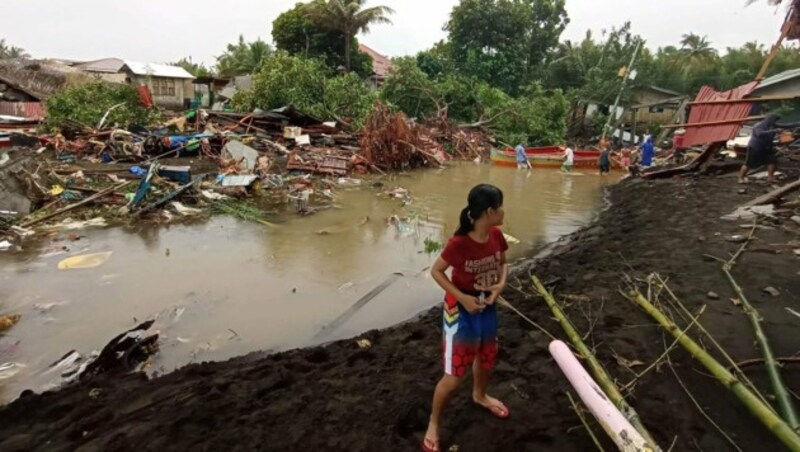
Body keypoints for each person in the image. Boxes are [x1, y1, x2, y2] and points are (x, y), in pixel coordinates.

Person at [423, 184, 509, 452]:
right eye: (501, 206)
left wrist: (499, 286)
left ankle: (480, 395)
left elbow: (504, 262)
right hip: (459, 311)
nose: (505, 211)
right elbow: (436, 272)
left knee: (485, 358)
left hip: (487, 306)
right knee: (454, 376)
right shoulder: (459, 243)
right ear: (490, 211)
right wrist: (462, 298)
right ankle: (433, 423)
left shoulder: (496, 235)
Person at [739, 114, 781, 184]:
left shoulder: (772, 125)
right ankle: (741, 178)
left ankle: (770, 178)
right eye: (775, 120)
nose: (775, 122)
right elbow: (759, 134)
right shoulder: (759, 125)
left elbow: (786, 126)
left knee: (772, 161)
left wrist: (797, 124)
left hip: (766, 147)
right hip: (755, 147)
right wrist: (774, 131)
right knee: (748, 163)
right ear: (770, 120)